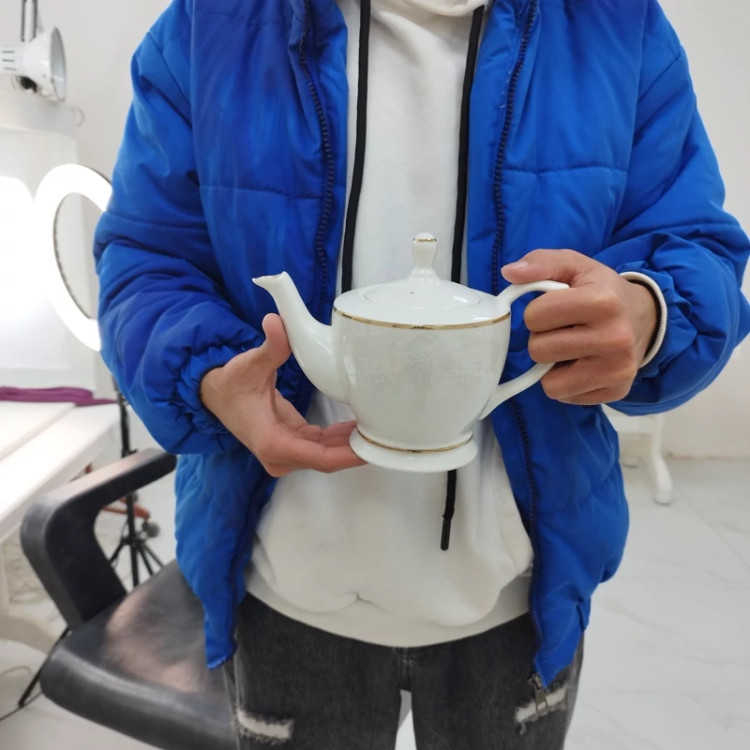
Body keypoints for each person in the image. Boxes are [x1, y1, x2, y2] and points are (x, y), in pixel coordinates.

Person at [94, 0, 750, 748]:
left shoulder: (617, 25)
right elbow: (144, 259)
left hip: (522, 593)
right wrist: (211, 377)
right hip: (282, 584)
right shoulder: (212, 23)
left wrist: (649, 311)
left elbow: (694, 243)